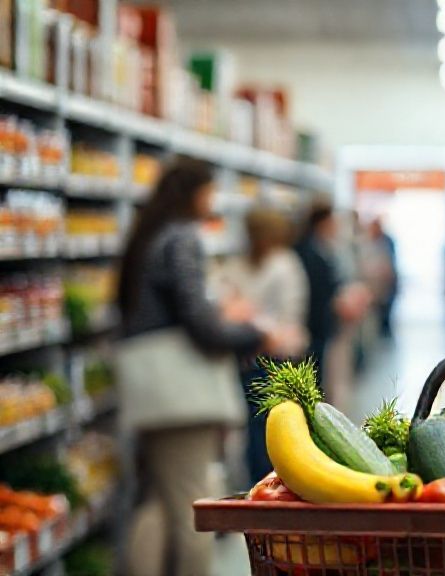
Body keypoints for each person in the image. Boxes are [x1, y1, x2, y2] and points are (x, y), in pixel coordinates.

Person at [116, 158, 293, 576]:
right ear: (195, 193)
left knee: (160, 499)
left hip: (151, 390)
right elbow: (199, 324)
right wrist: (253, 334)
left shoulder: (149, 235)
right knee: (192, 509)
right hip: (180, 395)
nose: (213, 202)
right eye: (210, 192)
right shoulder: (181, 238)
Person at [215, 207, 309, 484]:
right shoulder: (236, 266)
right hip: (248, 356)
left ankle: (271, 482)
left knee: (274, 426)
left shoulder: (283, 263)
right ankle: (261, 484)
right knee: (255, 427)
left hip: (278, 356)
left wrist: (254, 324)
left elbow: (291, 315)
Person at [294, 200, 371, 394]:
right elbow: (318, 289)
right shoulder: (309, 252)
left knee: (321, 367)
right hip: (314, 323)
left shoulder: (323, 248)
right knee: (314, 369)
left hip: (322, 323)